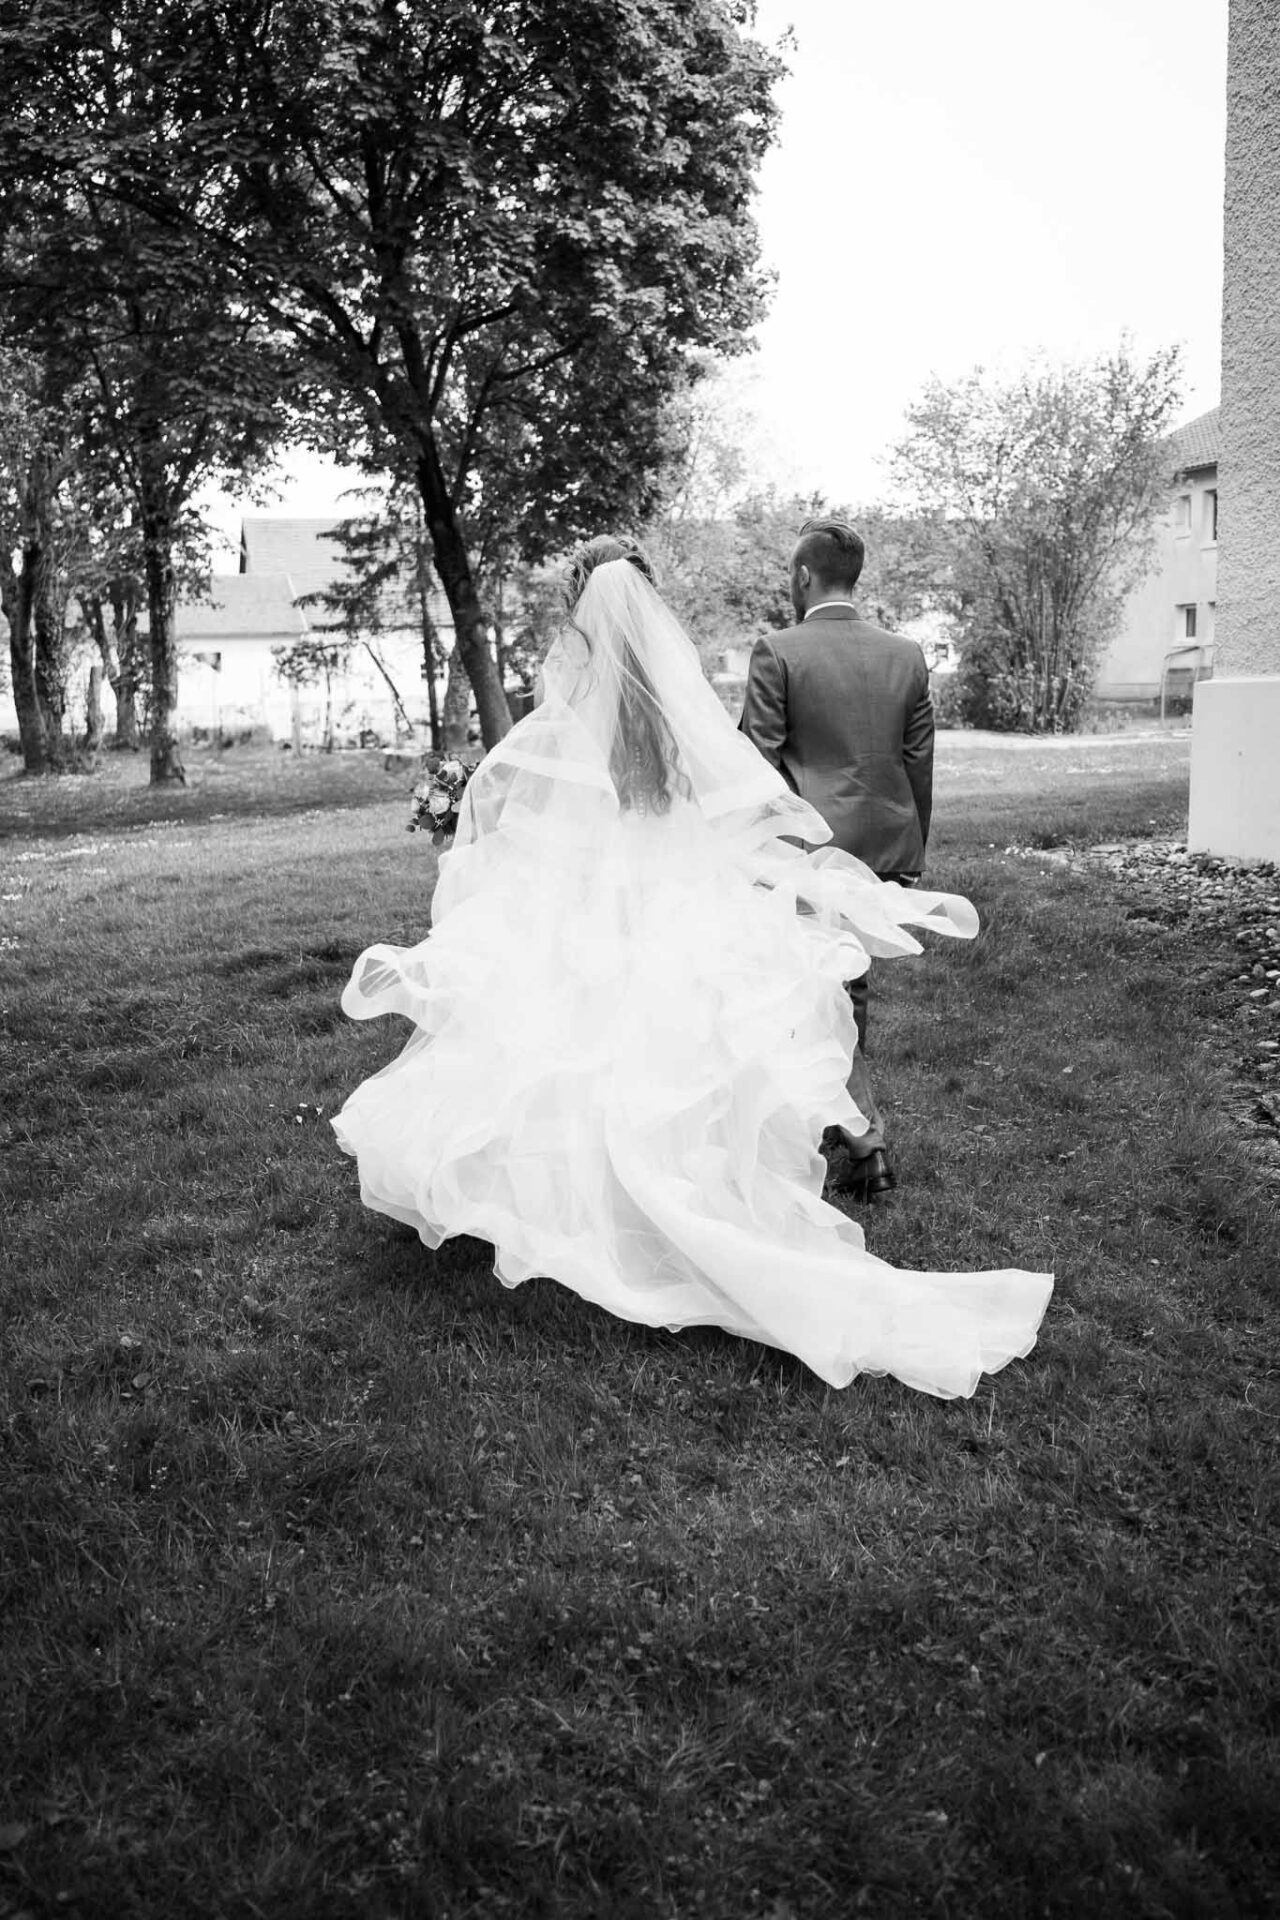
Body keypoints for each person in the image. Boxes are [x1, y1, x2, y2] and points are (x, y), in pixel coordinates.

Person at [332, 537, 1051, 1398]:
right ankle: (777, 1162)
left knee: (570, 1033)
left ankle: (590, 1201)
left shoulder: (569, 702)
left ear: (581, 609)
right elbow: (727, 792)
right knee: (690, 1039)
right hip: (674, 886)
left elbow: (542, 805)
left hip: (598, 896)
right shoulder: (681, 706)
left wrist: (474, 811)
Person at [739, 516, 934, 1204]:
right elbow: (917, 760)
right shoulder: (905, 653)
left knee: (822, 994)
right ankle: (846, 1134)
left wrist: (746, 850)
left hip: (809, 854)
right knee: (845, 990)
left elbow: (757, 762)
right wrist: (911, 846)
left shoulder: (777, 649)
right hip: (882, 847)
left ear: (801, 576)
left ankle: (864, 1143)